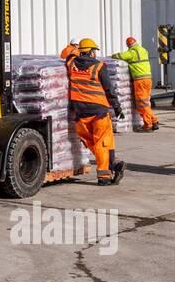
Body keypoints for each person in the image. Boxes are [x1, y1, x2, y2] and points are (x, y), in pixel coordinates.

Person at [67, 38, 126, 185]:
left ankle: (113, 162)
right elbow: (109, 90)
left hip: (80, 112)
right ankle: (104, 175)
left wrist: (75, 48)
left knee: (89, 141)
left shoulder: (71, 64)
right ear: (92, 52)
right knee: (102, 143)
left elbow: (68, 55)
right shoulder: (99, 67)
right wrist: (117, 107)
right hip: (98, 111)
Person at [114, 35, 160, 131]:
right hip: (148, 79)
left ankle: (148, 125)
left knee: (141, 104)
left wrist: (112, 56)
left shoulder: (132, 52)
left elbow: (120, 56)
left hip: (140, 80)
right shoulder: (143, 50)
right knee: (146, 102)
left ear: (129, 45)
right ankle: (154, 121)